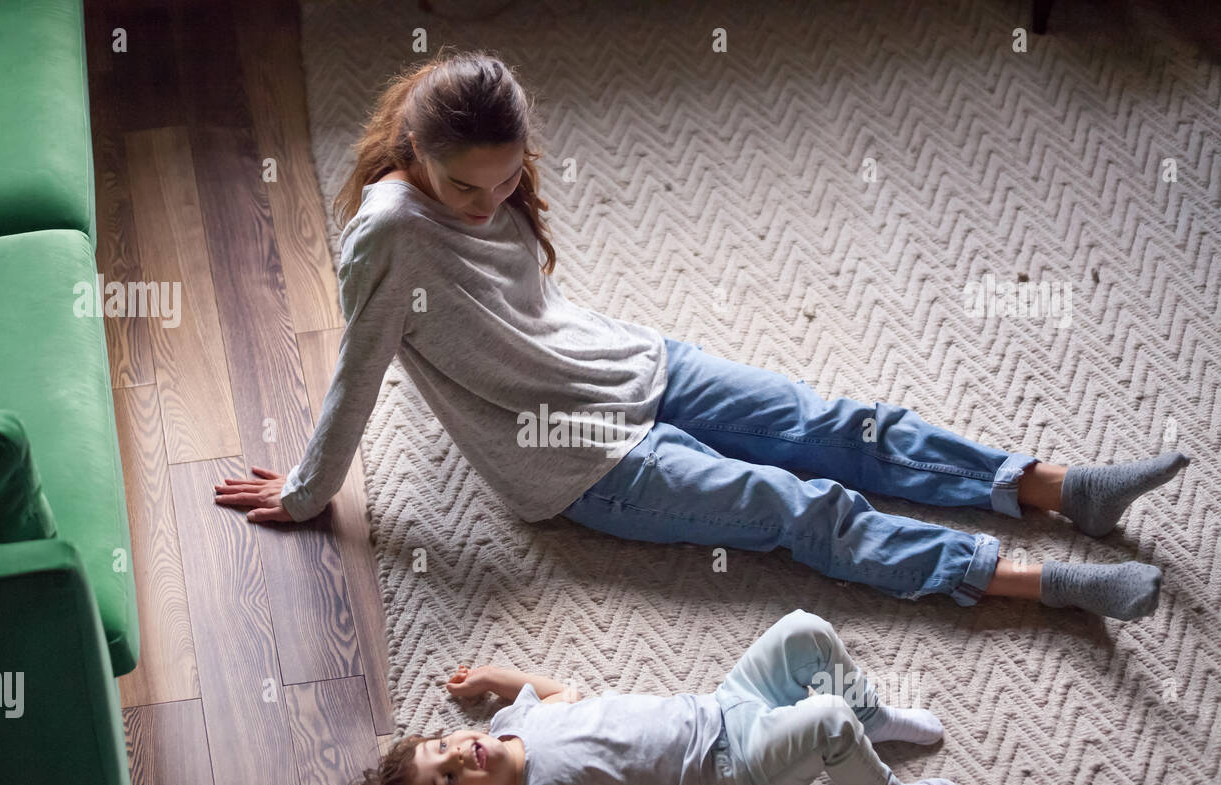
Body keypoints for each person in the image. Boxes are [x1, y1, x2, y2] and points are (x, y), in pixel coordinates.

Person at [211, 49, 1190, 618]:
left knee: (842, 423)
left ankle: (1056, 487)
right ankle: (1038, 582)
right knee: (801, 505)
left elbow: (505, 309)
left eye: (505, 179)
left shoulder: (487, 180)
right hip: (572, 459)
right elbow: (359, 371)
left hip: (633, 364)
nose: (489, 201)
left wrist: (506, 293)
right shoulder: (385, 233)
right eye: (465, 185)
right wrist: (307, 492)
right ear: (412, 152)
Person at [350, 609, 957, 785]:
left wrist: (496, 679)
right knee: (825, 721)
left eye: (443, 747)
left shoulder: (512, 723)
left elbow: (564, 692)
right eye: (450, 780)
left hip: (724, 705)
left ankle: (869, 716)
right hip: (733, 775)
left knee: (805, 631)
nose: (459, 754)